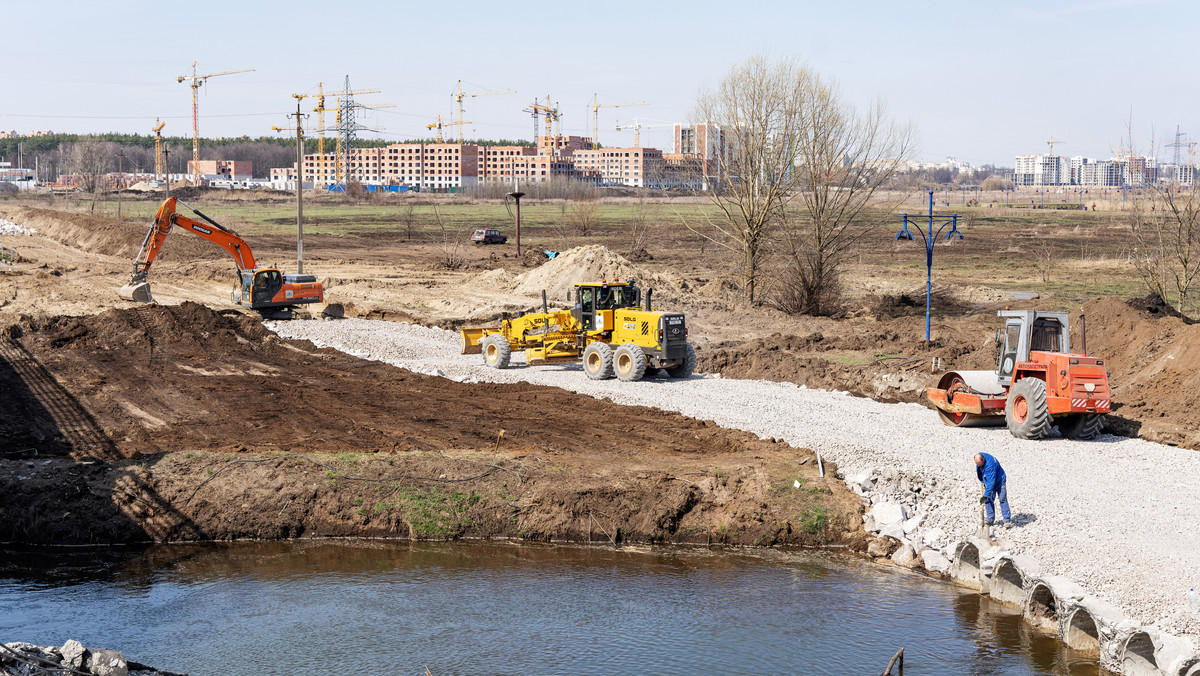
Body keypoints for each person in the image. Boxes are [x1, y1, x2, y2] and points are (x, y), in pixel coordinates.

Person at [974, 452, 1012, 528]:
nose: (978, 465)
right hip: (990, 480)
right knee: (988, 500)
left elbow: (991, 483)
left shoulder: (990, 466)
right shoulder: (980, 456)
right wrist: (982, 480)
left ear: (983, 460)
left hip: (1000, 481)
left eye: (979, 463)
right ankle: (990, 520)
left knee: (1002, 499)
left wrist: (985, 496)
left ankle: (1006, 520)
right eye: (976, 463)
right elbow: (981, 471)